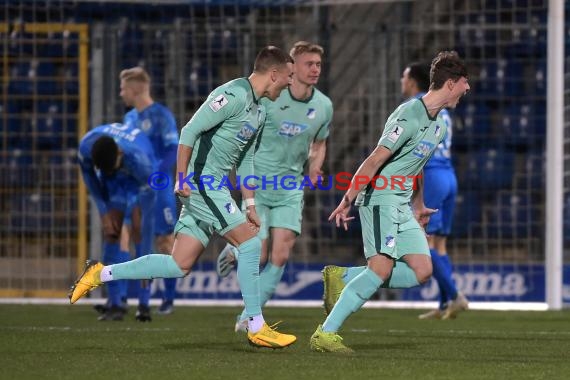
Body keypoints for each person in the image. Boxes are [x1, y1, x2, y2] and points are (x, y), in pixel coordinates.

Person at [69, 46, 297, 349]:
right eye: (289, 76)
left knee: (178, 265)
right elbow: (189, 131)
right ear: (274, 73)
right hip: (202, 183)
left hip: (215, 187)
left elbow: (246, 160)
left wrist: (251, 204)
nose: (291, 83)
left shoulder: (261, 110)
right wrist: (182, 177)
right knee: (251, 243)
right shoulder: (232, 95)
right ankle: (254, 323)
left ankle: (102, 272)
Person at [309, 51, 470, 353]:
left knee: (422, 271)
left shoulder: (440, 126)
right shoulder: (408, 114)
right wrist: (347, 199)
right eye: (464, 82)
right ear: (450, 84)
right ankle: (325, 333)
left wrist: (419, 205)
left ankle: (342, 276)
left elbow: (417, 166)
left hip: (402, 202)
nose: (468, 88)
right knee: (380, 269)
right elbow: (374, 159)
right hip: (379, 197)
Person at [215, 41, 333, 332]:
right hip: (258, 183)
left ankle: (248, 316)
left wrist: (316, 166)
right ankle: (234, 251)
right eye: (309, 63)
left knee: (281, 254)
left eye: (318, 64)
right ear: (292, 66)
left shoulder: (324, 106)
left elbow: (319, 142)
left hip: (290, 188)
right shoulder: (269, 98)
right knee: (262, 252)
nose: (315, 69)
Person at [400, 62, 468, 320]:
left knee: (423, 240)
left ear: (413, 80)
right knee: (439, 244)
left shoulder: (421, 104)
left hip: (431, 176)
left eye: (404, 77)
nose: (401, 82)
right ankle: (444, 305)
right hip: (449, 174)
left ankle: (455, 296)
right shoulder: (445, 106)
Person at [77, 123, 157, 322]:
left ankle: (144, 304)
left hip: (140, 184)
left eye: (112, 168)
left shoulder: (141, 162)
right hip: (114, 180)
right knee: (112, 233)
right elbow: (89, 177)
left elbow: (149, 193)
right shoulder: (86, 147)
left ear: (120, 154)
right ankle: (115, 303)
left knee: (140, 238)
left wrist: (131, 218)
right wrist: (104, 212)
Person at [120, 67, 180, 315]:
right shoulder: (129, 118)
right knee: (126, 235)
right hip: (135, 188)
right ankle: (122, 297)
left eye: (123, 88)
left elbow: (173, 149)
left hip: (160, 186)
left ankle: (168, 298)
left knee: (164, 241)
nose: (120, 93)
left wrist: (155, 174)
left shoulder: (161, 116)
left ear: (134, 89)